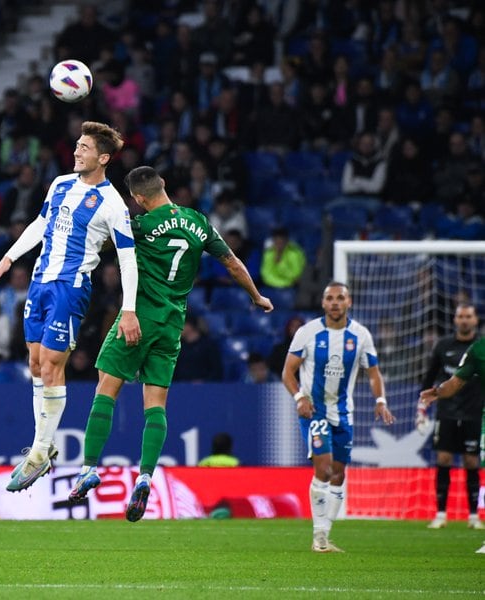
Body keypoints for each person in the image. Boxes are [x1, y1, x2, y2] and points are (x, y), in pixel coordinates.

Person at [67, 166, 272, 520]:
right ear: (162, 186)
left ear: (139, 199)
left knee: (106, 391)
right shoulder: (198, 221)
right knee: (156, 404)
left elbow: (97, 242)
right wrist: (256, 296)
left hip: (139, 315)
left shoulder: (141, 225)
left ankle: (89, 468)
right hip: (172, 324)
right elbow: (233, 263)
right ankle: (145, 475)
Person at [0, 121, 142, 493]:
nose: (76, 151)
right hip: (39, 283)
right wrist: (9, 258)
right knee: (35, 363)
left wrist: (129, 308)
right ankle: (45, 442)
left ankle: (40, 451)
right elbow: (41, 223)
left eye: (85, 148)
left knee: (53, 365)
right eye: (77, 145)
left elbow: (127, 259)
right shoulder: (59, 184)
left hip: (70, 289)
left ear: (103, 157)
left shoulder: (112, 204)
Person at [282, 282, 395, 553]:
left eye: (340, 298)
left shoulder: (360, 335)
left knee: (339, 475)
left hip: (344, 413)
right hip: (315, 410)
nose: (334, 302)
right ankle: (319, 537)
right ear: (323, 303)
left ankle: (325, 534)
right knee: (324, 469)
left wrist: (380, 401)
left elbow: (373, 372)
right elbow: (288, 372)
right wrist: (300, 399)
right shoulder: (307, 332)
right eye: (329, 298)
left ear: (349, 302)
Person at [418, 304, 483, 530]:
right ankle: (441, 513)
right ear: (455, 320)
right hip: (446, 411)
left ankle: (474, 516)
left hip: (474, 412)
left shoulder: (480, 347)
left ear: (475, 320)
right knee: (443, 459)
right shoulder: (443, 346)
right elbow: (429, 379)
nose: (464, 320)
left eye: (469, 316)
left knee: (471, 461)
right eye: (461, 316)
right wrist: (422, 407)